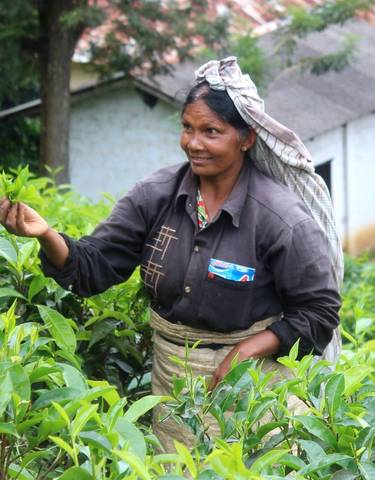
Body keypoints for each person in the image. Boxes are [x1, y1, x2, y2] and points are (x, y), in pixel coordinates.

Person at [0, 57, 342, 451]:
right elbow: (93, 268)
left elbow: (318, 313)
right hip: (172, 381)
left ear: (246, 138)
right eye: (187, 128)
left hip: (255, 387)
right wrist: (44, 234)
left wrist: (249, 349)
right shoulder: (156, 195)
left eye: (211, 131)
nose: (194, 143)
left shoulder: (279, 218)